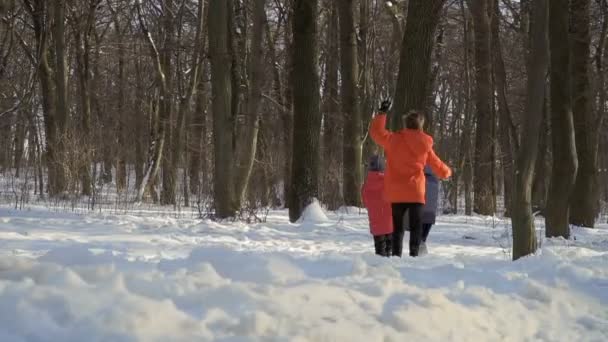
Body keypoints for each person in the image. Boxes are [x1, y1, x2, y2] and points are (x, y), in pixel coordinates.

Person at [369, 99, 452, 257]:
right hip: (415, 192)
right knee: (416, 226)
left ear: (405, 124)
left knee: (397, 227)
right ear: (421, 125)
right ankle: (414, 255)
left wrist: (382, 114)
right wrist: (447, 173)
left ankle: (396, 255)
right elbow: (436, 164)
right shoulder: (424, 144)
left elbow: (377, 134)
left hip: (396, 192)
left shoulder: (393, 140)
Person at [361, 154, 393, 257]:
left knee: (379, 250)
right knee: (389, 250)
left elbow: (365, 202)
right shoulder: (388, 183)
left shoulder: (366, 185)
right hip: (389, 223)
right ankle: (388, 268)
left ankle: (379, 268)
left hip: (375, 224)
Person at [420, 165, 439, 255]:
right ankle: (422, 252)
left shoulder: (419, 178)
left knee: (419, 237)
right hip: (431, 213)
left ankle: (420, 254)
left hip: (421, 212)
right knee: (423, 237)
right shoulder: (435, 180)